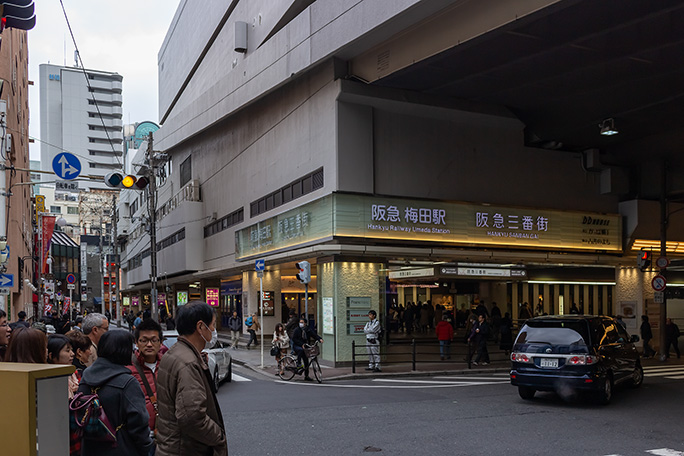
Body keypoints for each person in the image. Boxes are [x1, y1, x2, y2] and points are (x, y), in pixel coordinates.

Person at [156, 301, 227, 456]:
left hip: (171, 446)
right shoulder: (188, 362)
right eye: (213, 325)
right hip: (186, 449)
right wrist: (219, 436)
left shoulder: (174, 353)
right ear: (201, 327)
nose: (214, 330)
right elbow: (192, 417)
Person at [77, 330, 153, 456]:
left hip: (90, 446)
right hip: (121, 447)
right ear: (124, 351)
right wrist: (146, 446)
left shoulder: (86, 376)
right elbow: (138, 421)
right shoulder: (127, 383)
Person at [127, 318, 164, 444]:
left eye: (154, 340)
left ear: (161, 342)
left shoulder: (168, 366)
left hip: (165, 436)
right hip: (139, 438)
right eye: (144, 340)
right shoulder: (128, 368)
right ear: (136, 342)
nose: (149, 345)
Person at [47, 334, 79, 399]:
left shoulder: (70, 374)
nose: (72, 354)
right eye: (67, 351)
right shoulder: (49, 381)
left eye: (71, 350)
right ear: (51, 356)